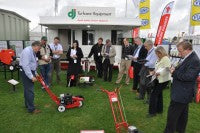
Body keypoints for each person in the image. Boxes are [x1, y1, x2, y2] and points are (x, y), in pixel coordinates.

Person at [164, 41, 200, 133]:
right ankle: (180, 130)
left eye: (181, 51)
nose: (179, 53)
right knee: (182, 115)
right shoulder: (188, 57)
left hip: (182, 93)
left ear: (188, 50)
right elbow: (183, 71)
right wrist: (175, 69)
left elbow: (188, 77)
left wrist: (174, 72)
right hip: (182, 92)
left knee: (172, 115)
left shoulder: (194, 60)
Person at [148, 46, 171, 117]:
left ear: (161, 52)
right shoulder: (159, 59)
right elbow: (158, 67)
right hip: (158, 79)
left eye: (157, 53)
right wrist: (154, 71)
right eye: (156, 54)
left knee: (153, 95)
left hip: (163, 80)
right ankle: (159, 110)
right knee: (159, 94)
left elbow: (167, 70)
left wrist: (159, 73)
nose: (157, 55)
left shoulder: (166, 59)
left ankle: (152, 112)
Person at [19, 41, 41, 114]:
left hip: (30, 71)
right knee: (30, 91)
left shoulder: (32, 51)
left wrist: (35, 73)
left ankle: (28, 104)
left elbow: (33, 63)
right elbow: (26, 65)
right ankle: (31, 109)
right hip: (26, 72)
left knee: (27, 90)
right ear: (35, 46)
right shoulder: (27, 52)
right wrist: (31, 76)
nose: (38, 50)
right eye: (38, 49)